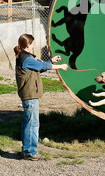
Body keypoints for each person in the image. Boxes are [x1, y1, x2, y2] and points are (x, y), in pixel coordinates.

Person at [14, 33, 68, 161]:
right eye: (32, 43)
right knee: (32, 123)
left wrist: (51, 61)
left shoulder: (24, 57)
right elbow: (42, 66)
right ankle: (30, 152)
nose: (34, 45)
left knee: (28, 122)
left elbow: (39, 67)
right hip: (30, 95)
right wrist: (60, 66)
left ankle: (27, 149)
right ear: (28, 45)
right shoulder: (26, 58)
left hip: (29, 95)